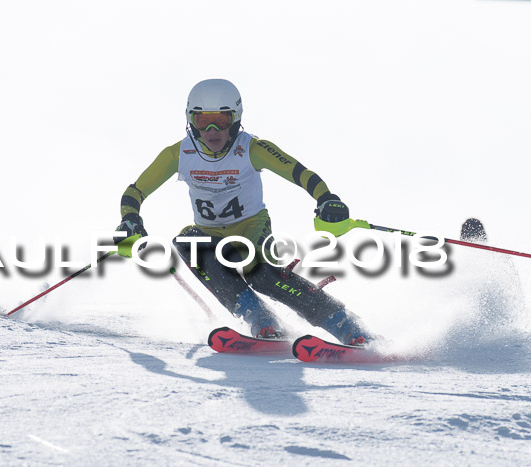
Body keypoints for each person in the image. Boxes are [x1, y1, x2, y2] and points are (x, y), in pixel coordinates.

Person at [113, 79, 374, 345]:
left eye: (222, 120)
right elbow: (136, 191)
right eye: (203, 121)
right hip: (209, 234)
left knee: (258, 273)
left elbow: (300, 174)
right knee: (186, 242)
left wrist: (326, 199)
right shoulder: (178, 154)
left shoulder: (252, 148)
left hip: (251, 227)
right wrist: (130, 220)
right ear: (191, 121)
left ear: (236, 119)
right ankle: (261, 318)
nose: (212, 130)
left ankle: (344, 324)